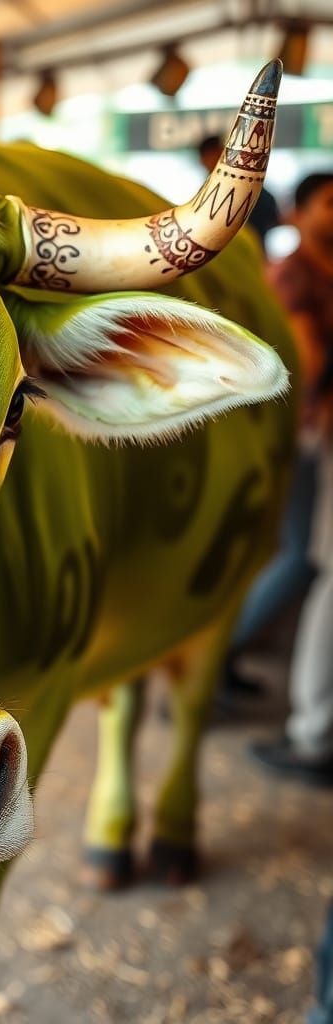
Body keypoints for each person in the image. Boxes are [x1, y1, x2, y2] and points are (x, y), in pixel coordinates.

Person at [250, 172, 333, 786]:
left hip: (315, 432)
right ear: (301, 211)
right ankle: (218, 647)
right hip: (305, 435)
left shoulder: (320, 271)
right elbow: (300, 365)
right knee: (297, 558)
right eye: (330, 202)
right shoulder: (292, 274)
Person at [198, 134, 281, 246]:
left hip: (252, 249)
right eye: (216, 154)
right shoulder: (206, 191)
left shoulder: (243, 182)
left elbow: (271, 213)